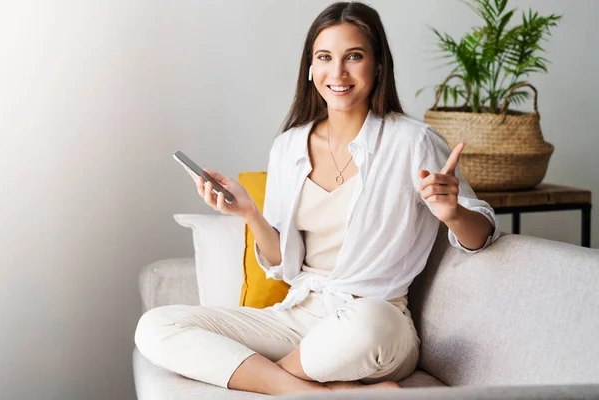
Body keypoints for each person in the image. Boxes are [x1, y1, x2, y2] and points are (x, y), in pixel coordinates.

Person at [135, 1, 500, 396]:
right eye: (325, 57)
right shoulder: (288, 146)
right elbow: (283, 265)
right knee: (155, 326)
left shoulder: (413, 141)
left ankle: (266, 377)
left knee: (368, 325)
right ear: (310, 68)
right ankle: (322, 392)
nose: (338, 72)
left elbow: (482, 236)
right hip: (299, 317)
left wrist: (453, 213)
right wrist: (248, 213)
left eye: (354, 56)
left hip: (375, 320)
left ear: (378, 66)